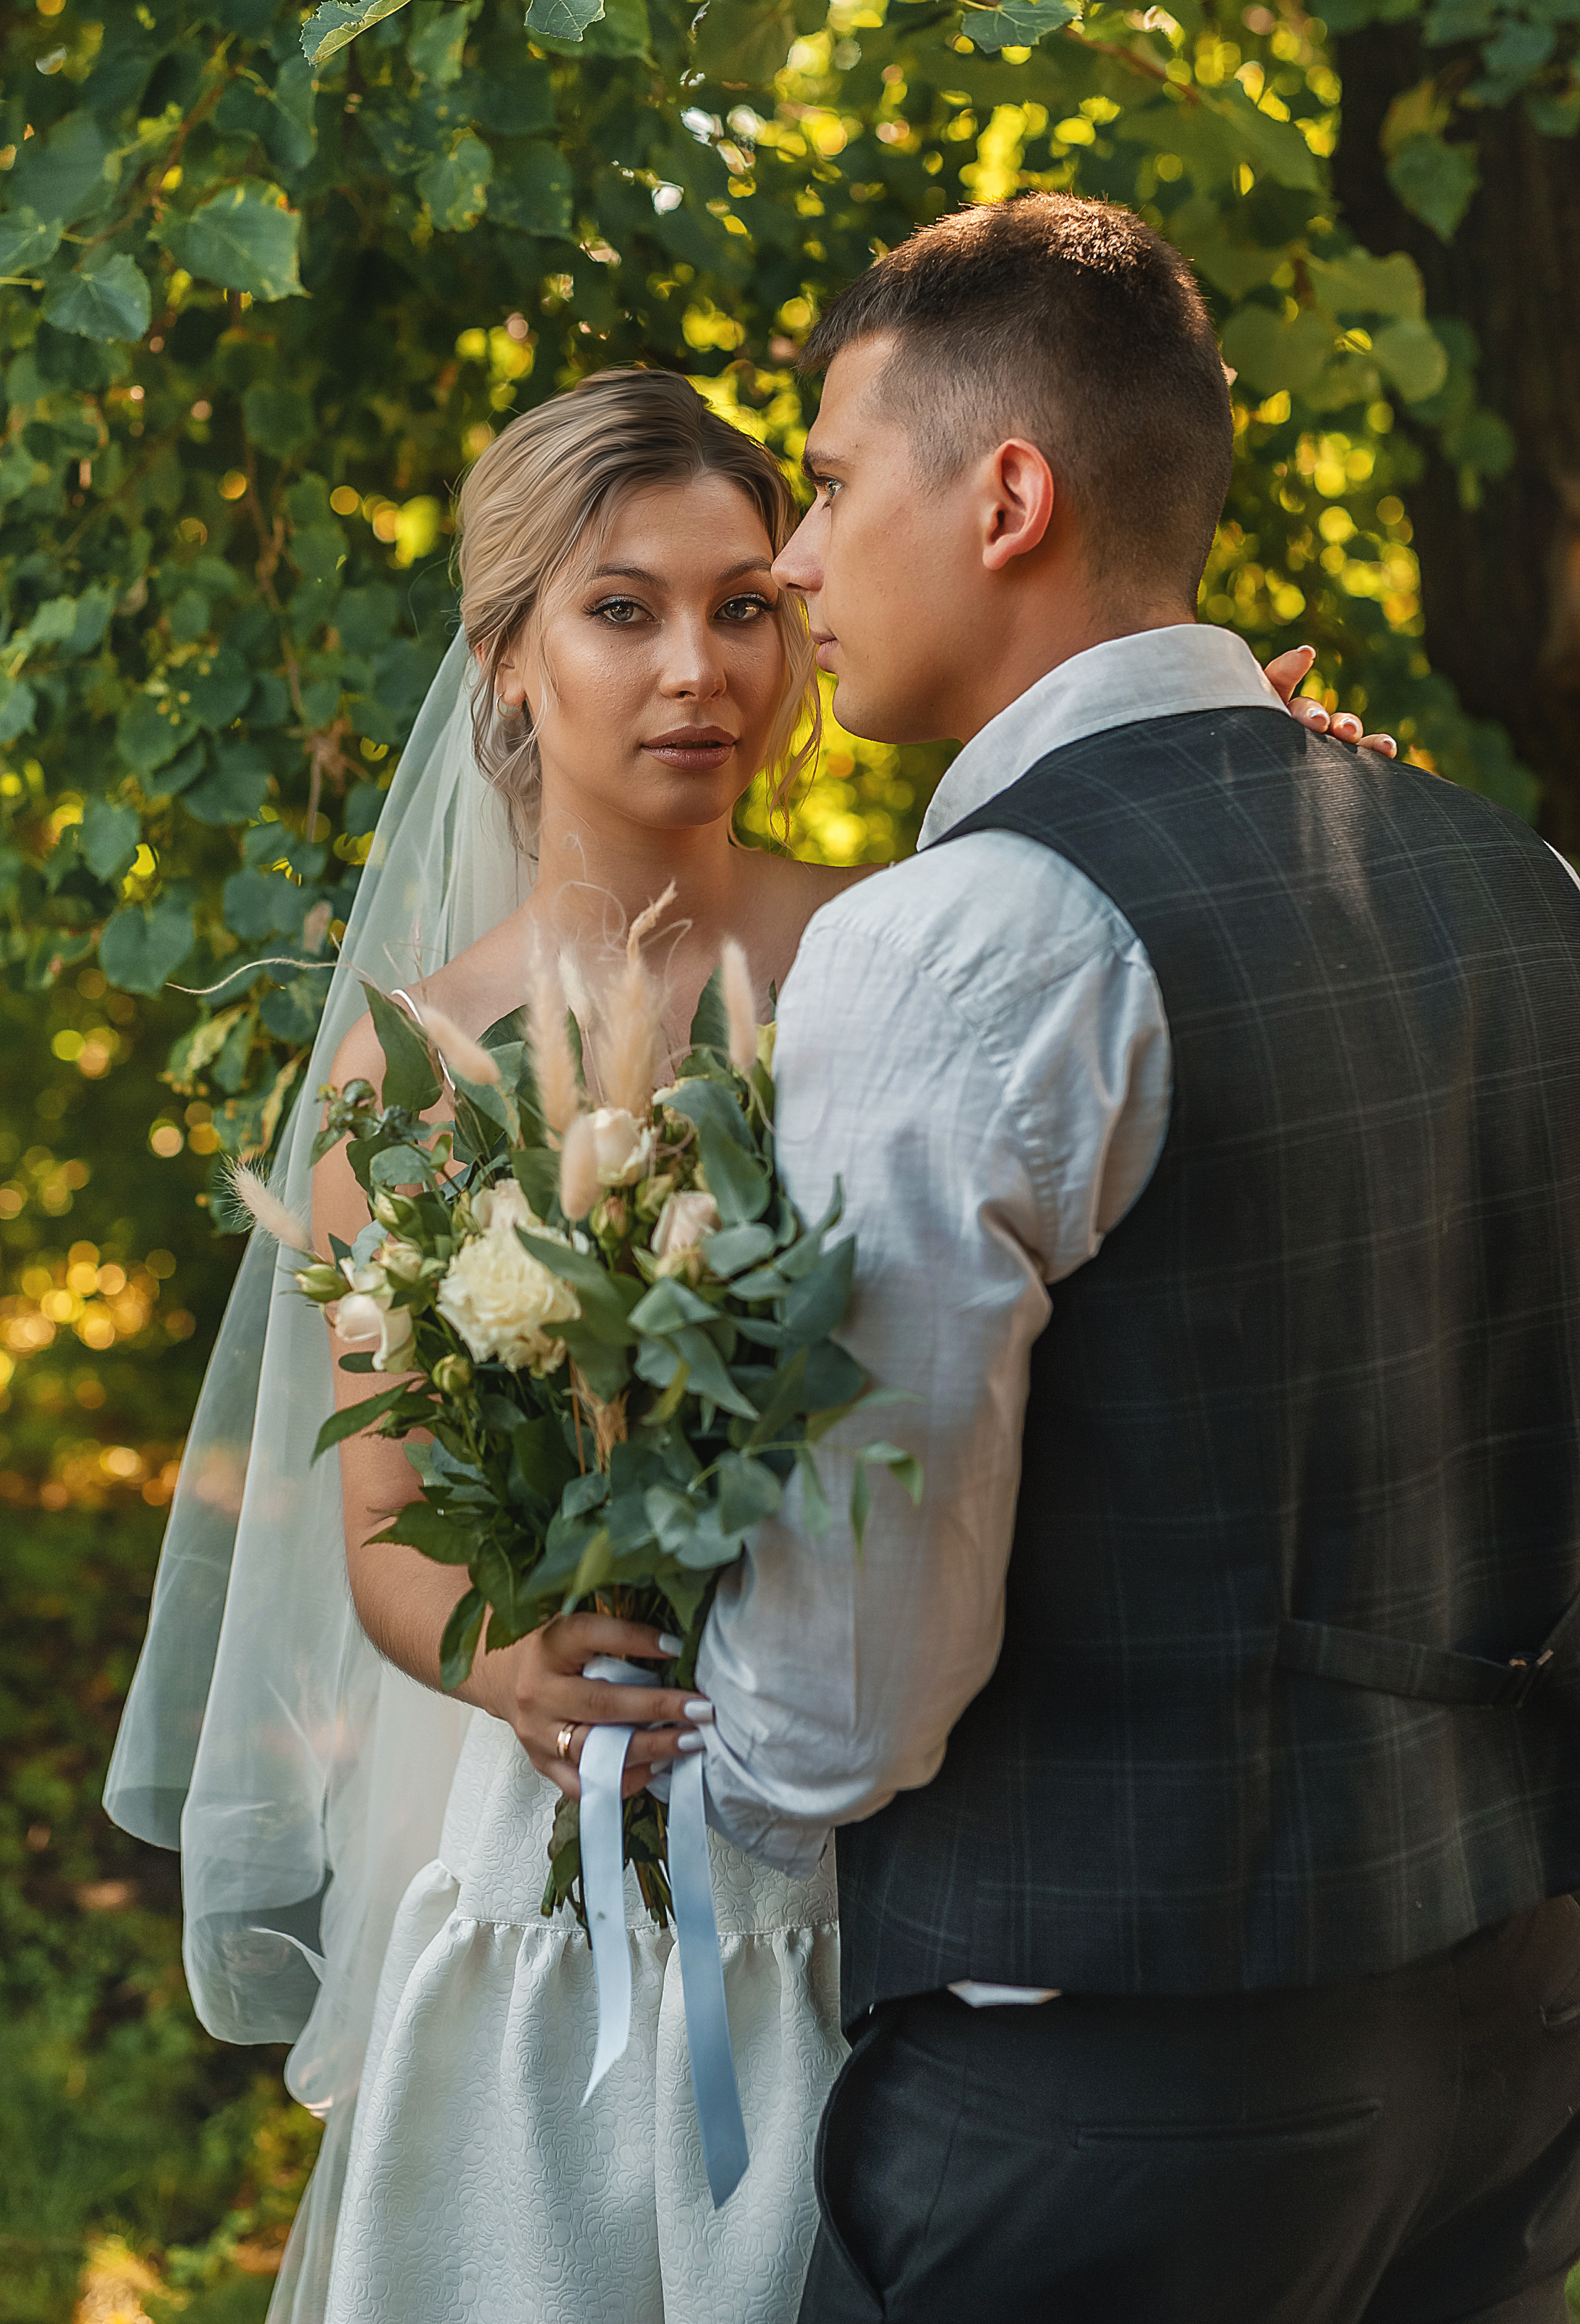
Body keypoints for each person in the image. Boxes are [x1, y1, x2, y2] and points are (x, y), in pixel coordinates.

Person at [104, 362, 1385, 2324]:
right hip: (588, 1876)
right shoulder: (417, 1074)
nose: (702, 666)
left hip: (923, 1877)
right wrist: (512, 1654)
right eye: (624, 610)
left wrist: (1274, 794)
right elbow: (380, 1527)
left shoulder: (921, 956)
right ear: (510, 665)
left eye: (746, 604)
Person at [684, 194, 1580, 2324]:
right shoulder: (1523, 879)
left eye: (820, 485)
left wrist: (682, 1791)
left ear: (1008, 496)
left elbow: (842, 1692)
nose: (796, 564)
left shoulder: (962, 940)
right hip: (1510, 2040)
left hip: (1116, 2095)